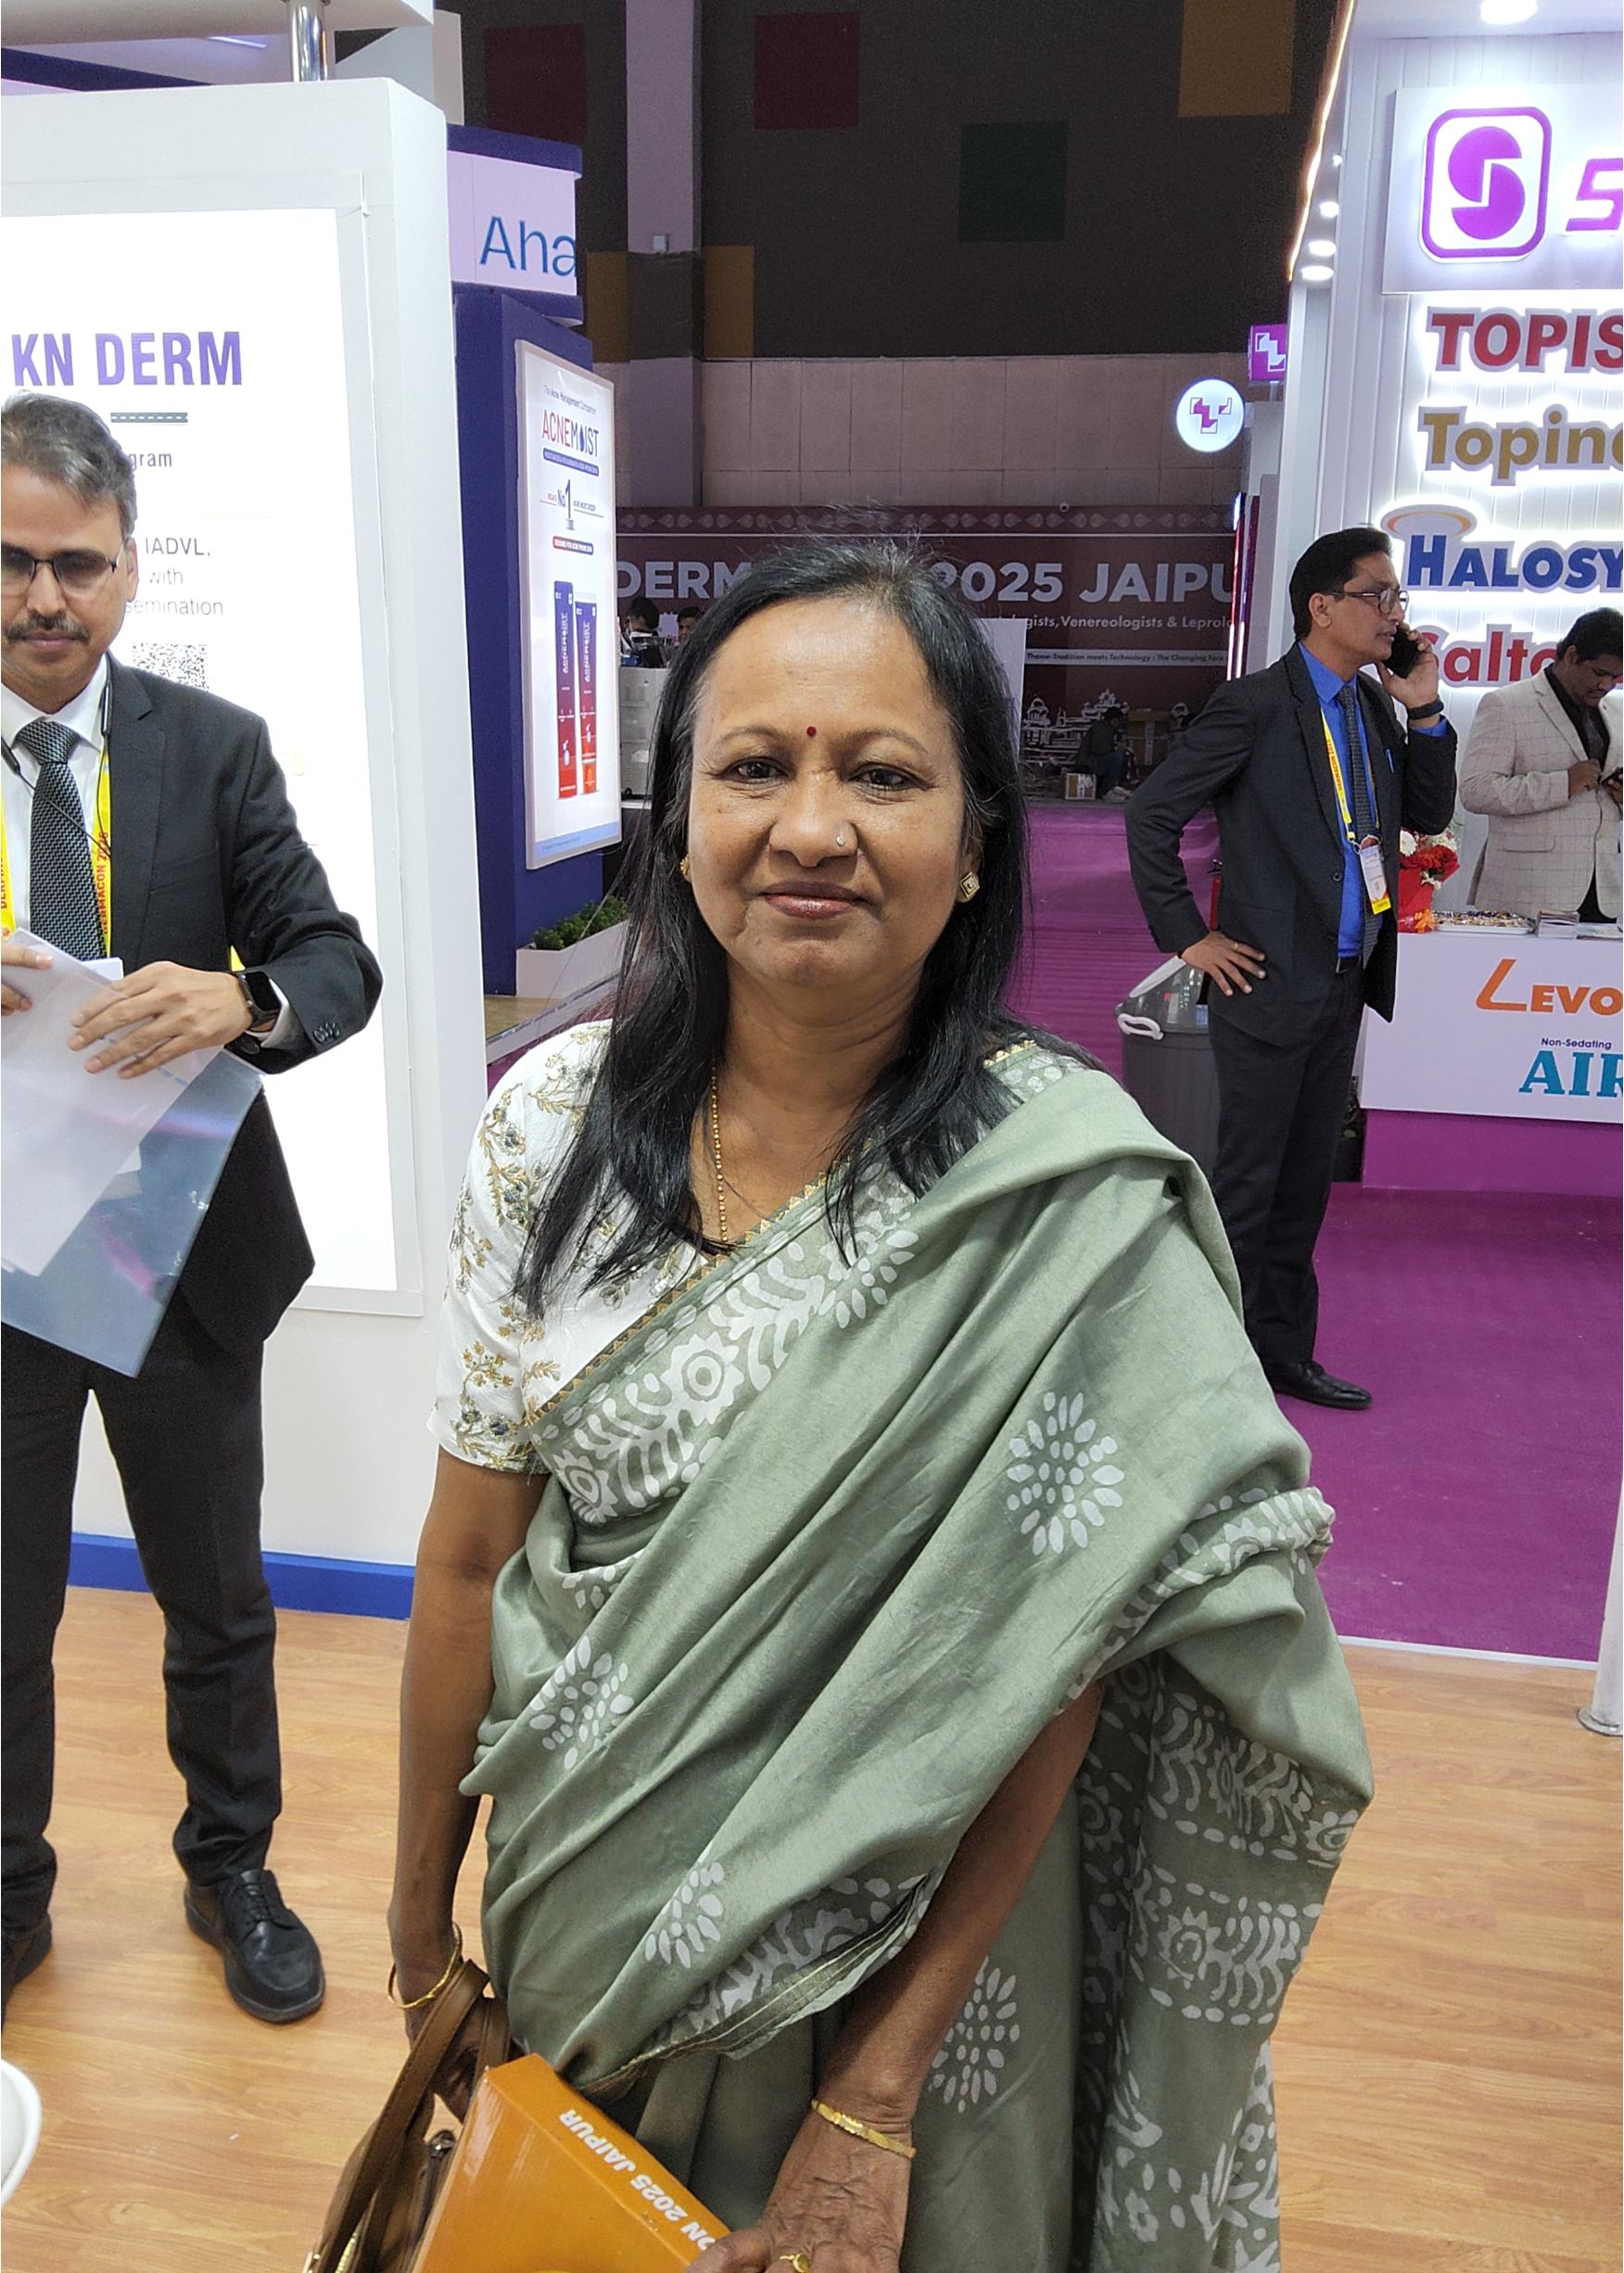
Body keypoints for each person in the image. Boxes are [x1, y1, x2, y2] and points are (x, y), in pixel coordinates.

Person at [390, 541, 1371, 2270]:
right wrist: (415, 1931)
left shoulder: (1062, 1194)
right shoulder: (551, 1127)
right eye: (752, 767)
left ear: (977, 835)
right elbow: (469, 1560)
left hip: (928, 1974)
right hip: (591, 1915)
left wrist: (875, 2092)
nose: (811, 827)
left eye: (884, 774)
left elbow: (1051, 1666)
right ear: (678, 819)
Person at [1, 395, 381, 2021]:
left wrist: (244, 999)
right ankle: (7, 1897)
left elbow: (335, 960)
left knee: (216, 1600)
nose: (43, 598)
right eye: (11, 560)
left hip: (178, 1252)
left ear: (130, 569)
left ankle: (233, 1868)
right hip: (2, 1272)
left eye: (77, 564)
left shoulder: (212, 749)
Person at [1125, 527, 1456, 1411]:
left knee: (1305, 1184)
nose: (1395, 614)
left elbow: (1427, 814)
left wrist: (1425, 711)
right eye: (1378, 595)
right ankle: (1212, 1371)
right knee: (1247, 1184)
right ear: (1323, 606)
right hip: (1266, 979)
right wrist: (1188, 937)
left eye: (1397, 598)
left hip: (1345, 978)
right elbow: (1152, 814)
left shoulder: (1373, 706)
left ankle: (1281, 1354)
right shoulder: (1256, 706)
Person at [1460, 608, 1622, 922]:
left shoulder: (1616, 714)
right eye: (1599, 672)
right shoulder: (1506, 704)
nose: (1606, 685)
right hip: (1526, 892)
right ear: (1571, 655)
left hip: (1601, 896)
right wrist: (1563, 784)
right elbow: (1475, 790)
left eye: (1615, 677)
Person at [1081, 703, 1128, 800]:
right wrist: (1115, 749)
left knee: (1122, 757)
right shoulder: (1100, 728)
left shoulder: (1108, 729)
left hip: (1095, 760)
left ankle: (1116, 787)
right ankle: (1107, 791)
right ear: (1115, 720)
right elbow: (1095, 748)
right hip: (1089, 762)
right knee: (1117, 758)